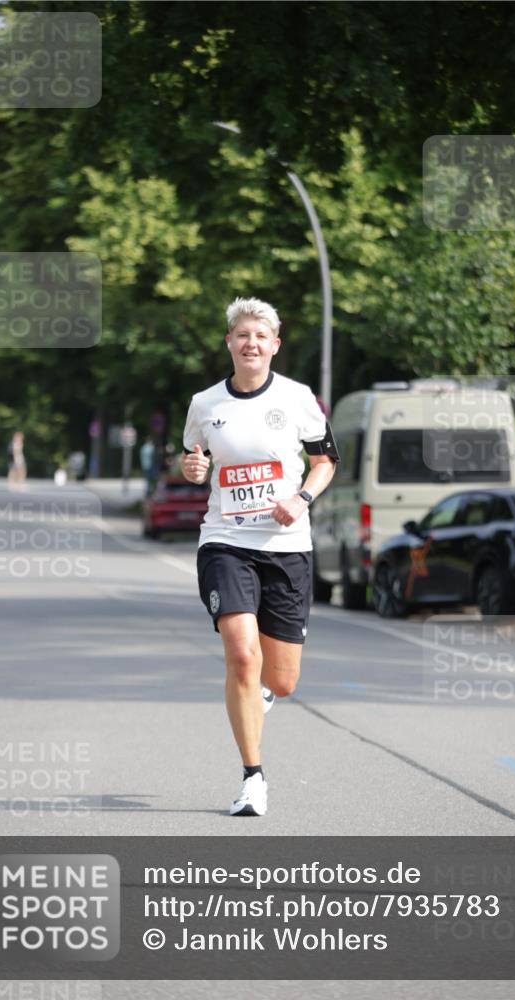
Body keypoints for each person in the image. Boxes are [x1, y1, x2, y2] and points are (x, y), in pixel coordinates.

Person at [181, 297, 339, 816]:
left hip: (286, 547)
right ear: (229, 342)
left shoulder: (297, 398)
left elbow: (325, 460)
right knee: (243, 655)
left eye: (260, 336)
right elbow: (194, 458)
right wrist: (192, 470)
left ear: (274, 345)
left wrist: (302, 498)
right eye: (242, 335)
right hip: (225, 541)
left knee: (282, 681)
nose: (251, 343)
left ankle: (262, 693)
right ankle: (253, 778)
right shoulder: (205, 404)